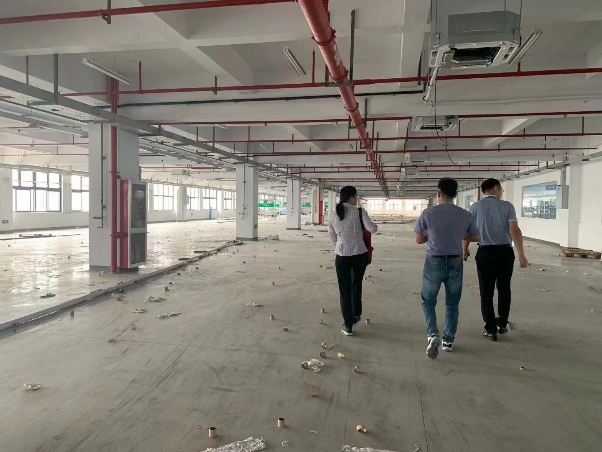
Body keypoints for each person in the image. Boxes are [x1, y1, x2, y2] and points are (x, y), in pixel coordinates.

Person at [415, 178, 480, 358]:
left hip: (434, 262)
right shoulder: (465, 214)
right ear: (455, 194)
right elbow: (477, 237)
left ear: (439, 193)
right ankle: (448, 341)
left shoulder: (428, 213)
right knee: (452, 303)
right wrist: (460, 235)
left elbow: (419, 239)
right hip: (455, 262)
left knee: (428, 301)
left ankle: (432, 335)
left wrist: (431, 235)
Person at [463, 178, 529, 342]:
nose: (502, 192)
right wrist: (521, 254)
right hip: (505, 253)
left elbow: (467, 231)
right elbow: (515, 230)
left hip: (485, 253)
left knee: (486, 291)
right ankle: (502, 323)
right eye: (501, 189)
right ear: (496, 188)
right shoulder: (507, 206)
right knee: (504, 288)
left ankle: (490, 328)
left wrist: (464, 249)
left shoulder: (475, 207)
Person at [328, 186, 378, 336]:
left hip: (342, 255)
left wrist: (341, 242)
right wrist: (374, 225)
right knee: (356, 284)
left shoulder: (332, 214)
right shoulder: (359, 212)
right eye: (356, 196)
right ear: (351, 197)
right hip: (359, 254)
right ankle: (356, 314)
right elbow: (372, 229)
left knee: (344, 290)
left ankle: (348, 325)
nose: (357, 199)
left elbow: (332, 237)